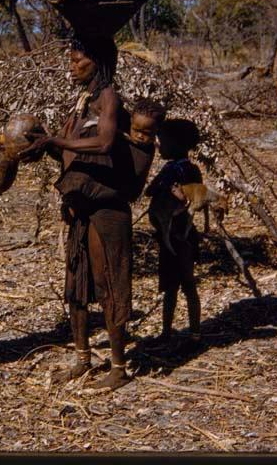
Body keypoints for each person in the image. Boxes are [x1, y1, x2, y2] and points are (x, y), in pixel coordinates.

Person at [22, 40, 161, 390]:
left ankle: (118, 367)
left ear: (95, 62)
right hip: (81, 210)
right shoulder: (82, 104)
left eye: (76, 60)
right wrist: (46, 145)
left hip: (107, 211)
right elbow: (77, 156)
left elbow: (103, 145)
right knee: (78, 286)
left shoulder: (108, 98)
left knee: (110, 284)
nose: (71, 66)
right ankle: (83, 358)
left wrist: (55, 141)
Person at [145, 119, 203, 349]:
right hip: (174, 235)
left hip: (180, 235)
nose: (159, 145)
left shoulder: (179, 169)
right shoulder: (180, 169)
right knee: (175, 284)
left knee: (184, 284)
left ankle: (190, 334)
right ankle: (173, 332)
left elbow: (194, 198)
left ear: (177, 144)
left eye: (164, 141)